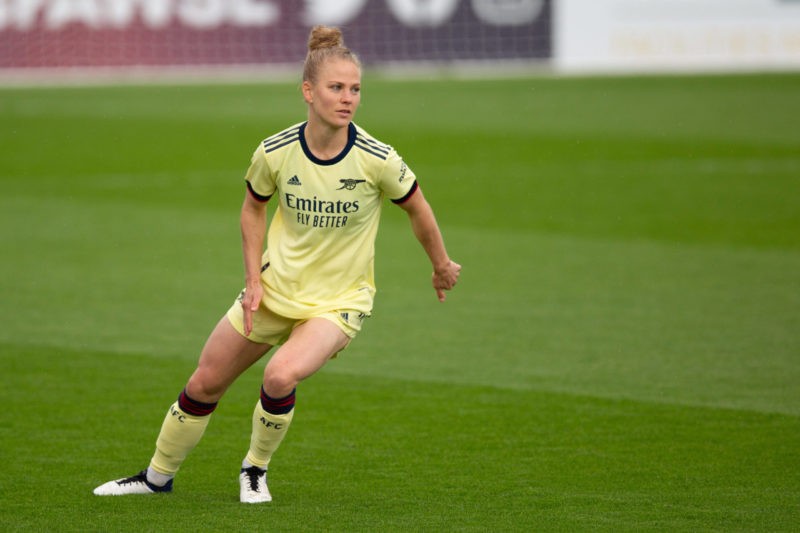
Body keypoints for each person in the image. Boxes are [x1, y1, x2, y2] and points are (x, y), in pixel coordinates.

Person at [93, 25, 461, 503]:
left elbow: (418, 207)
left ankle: (255, 469)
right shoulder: (276, 150)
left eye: (355, 89)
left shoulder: (377, 159)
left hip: (338, 301)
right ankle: (156, 478)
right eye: (336, 88)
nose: (348, 98)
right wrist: (252, 282)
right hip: (274, 289)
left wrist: (440, 264)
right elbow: (252, 207)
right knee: (204, 382)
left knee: (279, 375)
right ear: (308, 91)